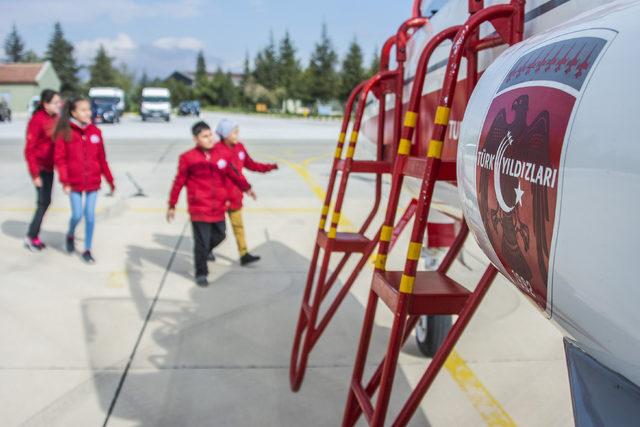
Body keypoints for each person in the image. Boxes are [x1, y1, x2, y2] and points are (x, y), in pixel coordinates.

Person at [167, 121, 256, 287]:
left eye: (210, 135)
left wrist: (247, 188)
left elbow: (233, 174)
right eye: (204, 136)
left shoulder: (222, 154)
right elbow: (178, 182)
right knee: (201, 241)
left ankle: (204, 252)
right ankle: (201, 273)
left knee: (220, 234)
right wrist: (172, 204)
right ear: (196, 139)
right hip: (199, 207)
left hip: (218, 206)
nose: (209, 139)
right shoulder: (188, 158)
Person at [53, 97, 115, 264]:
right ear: (74, 113)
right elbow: (60, 159)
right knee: (77, 215)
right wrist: (65, 182)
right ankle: (70, 234)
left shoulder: (96, 132)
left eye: (89, 109)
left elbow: (102, 159)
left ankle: (87, 249)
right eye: (83, 110)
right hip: (74, 183)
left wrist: (110, 180)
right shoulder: (65, 132)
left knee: (89, 216)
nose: (88, 113)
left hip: (93, 183)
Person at [214, 118, 277, 266]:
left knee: (238, 226)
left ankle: (244, 254)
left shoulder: (240, 148)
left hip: (235, 196)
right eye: (234, 132)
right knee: (217, 231)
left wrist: (270, 167)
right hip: (219, 198)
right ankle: (207, 249)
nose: (237, 135)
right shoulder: (216, 150)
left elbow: (251, 164)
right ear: (225, 134)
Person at [23, 89, 62, 251]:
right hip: (39, 169)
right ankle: (31, 237)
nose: (58, 105)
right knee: (42, 202)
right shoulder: (37, 120)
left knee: (46, 202)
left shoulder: (55, 118)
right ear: (45, 104)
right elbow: (29, 149)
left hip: (49, 167)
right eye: (55, 102)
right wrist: (34, 174)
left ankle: (33, 234)